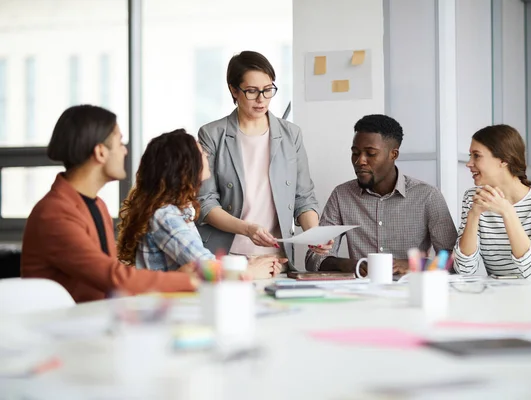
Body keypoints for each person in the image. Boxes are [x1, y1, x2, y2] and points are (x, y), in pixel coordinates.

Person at [21, 105, 197, 303]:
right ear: (100, 152)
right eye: (120, 142)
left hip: (94, 318)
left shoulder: (96, 204)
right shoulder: (54, 213)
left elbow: (109, 272)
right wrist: (187, 281)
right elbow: (114, 277)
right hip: (62, 327)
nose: (125, 151)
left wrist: (174, 277)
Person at [196, 50, 331, 270]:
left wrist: (314, 235)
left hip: (277, 259)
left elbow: (303, 198)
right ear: (233, 90)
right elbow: (205, 203)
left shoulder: (291, 134)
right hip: (226, 258)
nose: (261, 99)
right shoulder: (212, 134)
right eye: (252, 91)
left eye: (268, 90)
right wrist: (247, 229)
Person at [117, 129, 284, 279]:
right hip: (166, 305)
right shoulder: (165, 215)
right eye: (202, 153)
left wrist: (257, 263)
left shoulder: (178, 209)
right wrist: (251, 271)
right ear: (185, 166)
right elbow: (205, 266)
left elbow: (203, 261)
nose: (207, 156)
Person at [305, 114, 457, 274]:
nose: (360, 161)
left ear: (394, 155)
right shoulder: (341, 195)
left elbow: (452, 260)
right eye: (355, 153)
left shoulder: (427, 196)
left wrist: (414, 264)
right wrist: (352, 265)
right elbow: (314, 259)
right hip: (360, 293)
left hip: (411, 291)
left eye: (370, 154)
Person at [453, 124, 531, 278]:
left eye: (476, 155)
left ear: (503, 160)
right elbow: (464, 270)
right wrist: (473, 215)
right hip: (496, 296)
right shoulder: (474, 198)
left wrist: (507, 212)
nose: (469, 163)